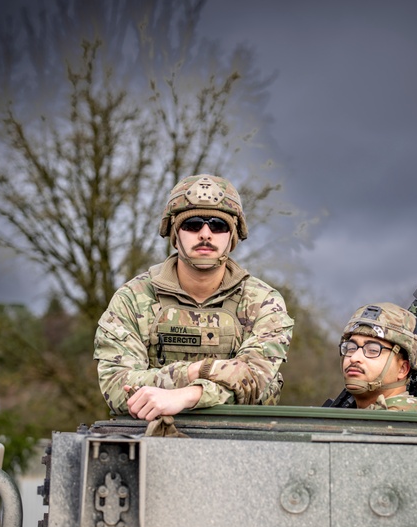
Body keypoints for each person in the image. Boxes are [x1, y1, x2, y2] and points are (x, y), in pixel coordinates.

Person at [95, 174, 294, 421]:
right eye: (193, 224)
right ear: (174, 234)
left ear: (232, 236)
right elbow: (117, 387)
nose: (205, 234)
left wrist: (189, 395)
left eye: (218, 225)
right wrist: (197, 370)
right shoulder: (133, 299)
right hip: (151, 440)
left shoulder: (263, 302)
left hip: (243, 442)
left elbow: (255, 383)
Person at [340, 302, 417, 412]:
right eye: (351, 348)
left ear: (402, 369)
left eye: (373, 350)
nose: (354, 358)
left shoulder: (401, 423)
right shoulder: (370, 420)